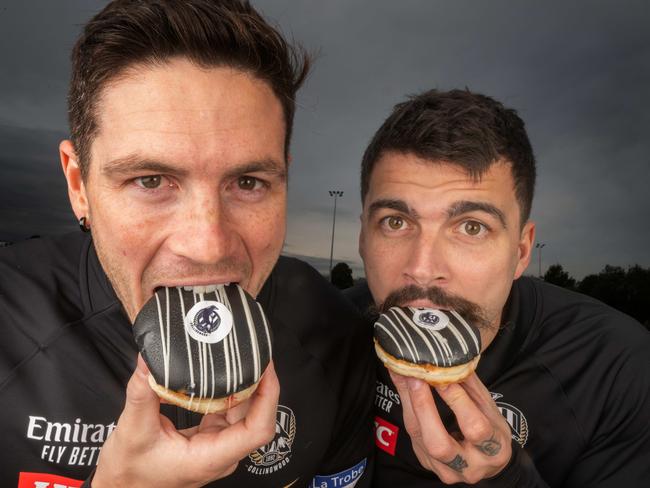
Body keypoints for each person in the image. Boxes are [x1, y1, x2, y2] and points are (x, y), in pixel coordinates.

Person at [0, 1, 374, 486]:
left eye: (248, 182)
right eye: (151, 180)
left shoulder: (333, 336)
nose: (208, 245)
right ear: (78, 186)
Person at [346, 89, 650, 486]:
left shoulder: (615, 368)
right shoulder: (325, 332)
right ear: (362, 238)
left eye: (471, 227)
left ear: (522, 251)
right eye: (395, 222)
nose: (422, 270)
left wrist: (506, 478)